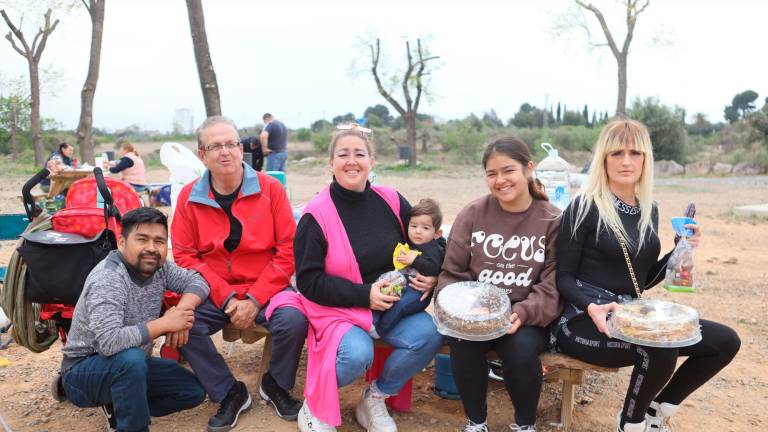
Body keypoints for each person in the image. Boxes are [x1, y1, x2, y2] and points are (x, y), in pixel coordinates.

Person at [553, 119, 741, 432]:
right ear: (603, 159)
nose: (626, 161)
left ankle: (655, 412)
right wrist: (591, 308)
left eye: (634, 153)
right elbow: (564, 278)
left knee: (725, 341)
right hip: (580, 321)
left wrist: (679, 251)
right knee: (658, 347)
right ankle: (631, 424)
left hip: (629, 317)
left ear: (646, 159)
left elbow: (639, 282)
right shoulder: (584, 206)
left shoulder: (648, 209)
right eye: (616, 153)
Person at [275, 123, 443, 432]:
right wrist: (365, 295)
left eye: (359, 154)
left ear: (372, 161)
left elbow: (429, 242)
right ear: (331, 163)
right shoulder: (316, 216)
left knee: (430, 334)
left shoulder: (391, 201)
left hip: (391, 309)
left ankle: (375, 398)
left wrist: (432, 274)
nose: (352, 161)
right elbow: (309, 282)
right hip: (340, 309)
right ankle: (315, 405)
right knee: (357, 354)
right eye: (343, 154)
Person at [172, 116, 307, 432]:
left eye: (231, 144)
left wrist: (256, 298)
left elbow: (288, 250)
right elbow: (185, 255)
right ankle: (229, 391)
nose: (225, 152)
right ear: (202, 153)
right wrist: (228, 296)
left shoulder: (270, 189)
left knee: (294, 319)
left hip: (268, 287)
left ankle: (274, 384)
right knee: (182, 323)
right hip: (216, 290)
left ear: (240, 148)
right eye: (215, 146)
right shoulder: (189, 197)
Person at [436, 137, 562, 432]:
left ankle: (525, 424)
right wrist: (463, 311)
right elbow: (451, 273)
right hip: (476, 312)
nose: (500, 180)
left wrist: (525, 312)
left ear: (528, 169)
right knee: (462, 343)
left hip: (526, 316)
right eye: (492, 174)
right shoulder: (473, 213)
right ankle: (476, 422)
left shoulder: (552, 218)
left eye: (508, 171)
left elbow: (553, 282)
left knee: (518, 348)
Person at [60, 207, 209, 432]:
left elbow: (198, 281)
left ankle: (121, 404)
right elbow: (109, 343)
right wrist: (165, 324)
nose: (151, 248)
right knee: (130, 359)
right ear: (121, 243)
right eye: (142, 239)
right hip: (82, 371)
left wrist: (182, 311)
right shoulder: (108, 278)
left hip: (132, 365)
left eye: (159, 241)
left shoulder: (160, 267)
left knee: (191, 391)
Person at [371, 197, 446, 338]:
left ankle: (381, 330)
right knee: (384, 294)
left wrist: (414, 259)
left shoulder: (433, 248)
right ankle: (372, 322)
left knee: (400, 306)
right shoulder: (413, 242)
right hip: (404, 284)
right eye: (413, 226)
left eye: (425, 228)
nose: (418, 231)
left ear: (437, 233)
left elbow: (434, 268)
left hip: (418, 294)